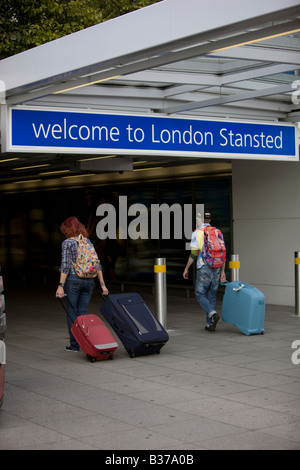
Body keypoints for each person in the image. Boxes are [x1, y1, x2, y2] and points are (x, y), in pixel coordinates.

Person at [56, 216, 109, 352]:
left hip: (73, 280)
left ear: (67, 229)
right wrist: (103, 285)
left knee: (72, 313)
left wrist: (61, 286)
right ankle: (85, 342)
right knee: (83, 313)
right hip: (89, 281)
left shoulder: (67, 243)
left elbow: (65, 265)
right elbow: (97, 264)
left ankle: (75, 345)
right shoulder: (87, 242)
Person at [183, 211, 226, 332]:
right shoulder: (217, 232)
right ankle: (209, 324)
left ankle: (212, 314)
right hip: (217, 267)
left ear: (199, 220)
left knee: (200, 293)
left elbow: (193, 253)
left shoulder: (197, 232)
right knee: (212, 296)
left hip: (204, 267)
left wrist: (186, 268)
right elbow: (223, 253)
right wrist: (223, 271)